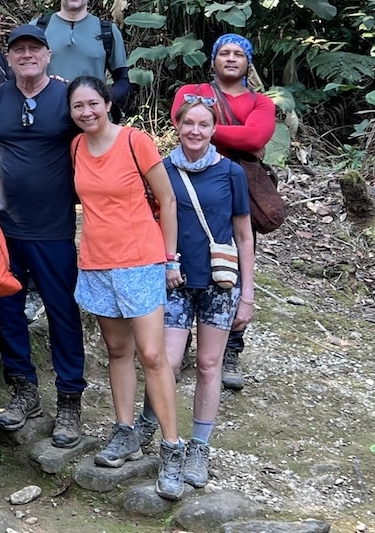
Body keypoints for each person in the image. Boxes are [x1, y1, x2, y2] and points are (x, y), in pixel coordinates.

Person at [67, 75, 186, 500]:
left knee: (153, 355)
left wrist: (170, 258)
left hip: (140, 259)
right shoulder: (76, 147)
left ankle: (172, 447)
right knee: (118, 351)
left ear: (107, 103)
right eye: (78, 106)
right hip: (97, 260)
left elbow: (167, 199)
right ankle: (124, 432)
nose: (86, 112)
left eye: (92, 103)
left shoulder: (136, 141)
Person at [0, 24, 86, 449]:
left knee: (62, 312)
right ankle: (23, 390)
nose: (26, 55)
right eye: (18, 49)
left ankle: (70, 398)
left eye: (34, 48)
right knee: (9, 311)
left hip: (54, 227)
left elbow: (91, 142)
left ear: (48, 54)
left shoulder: (67, 96)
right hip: (4, 226)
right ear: (9, 57)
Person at [132, 95, 254, 489]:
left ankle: (199, 446)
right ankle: (150, 422)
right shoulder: (162, 170)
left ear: (214, 129)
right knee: (165, 362)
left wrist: (247, 294)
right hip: (174, 280)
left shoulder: (231, 172)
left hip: (220, 282)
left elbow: (244, 234)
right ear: (177, 126)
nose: (195, 131)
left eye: (203, 124)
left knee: (208, 364)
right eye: (188, 123)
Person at [171, 33, 275, 392]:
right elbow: (181, 118)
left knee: (233, 261)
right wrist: (226, 131)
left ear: (248, 63)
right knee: (184, 257)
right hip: (187, 183)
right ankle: (181, 340)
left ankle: (230, 347)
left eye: (238, 54)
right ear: (213, 59)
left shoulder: (260, 102)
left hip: (235, 189)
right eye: (224, 52)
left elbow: (255, 138)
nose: (231, 58)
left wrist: (206, 128)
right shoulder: (191, 90)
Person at [37, 0, 131, 118]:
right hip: (47, 117)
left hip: (92, 120)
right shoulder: (38, 28)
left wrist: (104, 100)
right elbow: (19, 76)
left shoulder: (107, 31)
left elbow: (122, 80)